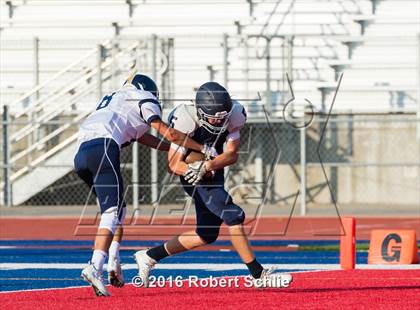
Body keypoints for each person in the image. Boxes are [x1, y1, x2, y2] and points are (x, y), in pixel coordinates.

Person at [134, 81, 290, 288]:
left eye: (221, 118)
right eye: (212, 117)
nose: (217, 122)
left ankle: (149, 256)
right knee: (233, 215)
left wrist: (208, 165)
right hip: (192, 174)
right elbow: (173, 164)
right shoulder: (186, 119)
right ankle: (258, 275)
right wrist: (195, 169)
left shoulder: (235, 114)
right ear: (199, 112)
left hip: (211, 168)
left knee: (206, 234)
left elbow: (231, 155)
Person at [74, 74, 216, 296]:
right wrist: (202, 148)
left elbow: (146, 139)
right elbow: (166, 132)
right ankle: (94, 266)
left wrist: (172, 147)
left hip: (81, 153)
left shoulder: (115, 99)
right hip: (104, 146)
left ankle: (113, 262)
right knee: (112, 212)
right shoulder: (143, 98)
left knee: (117, 210)